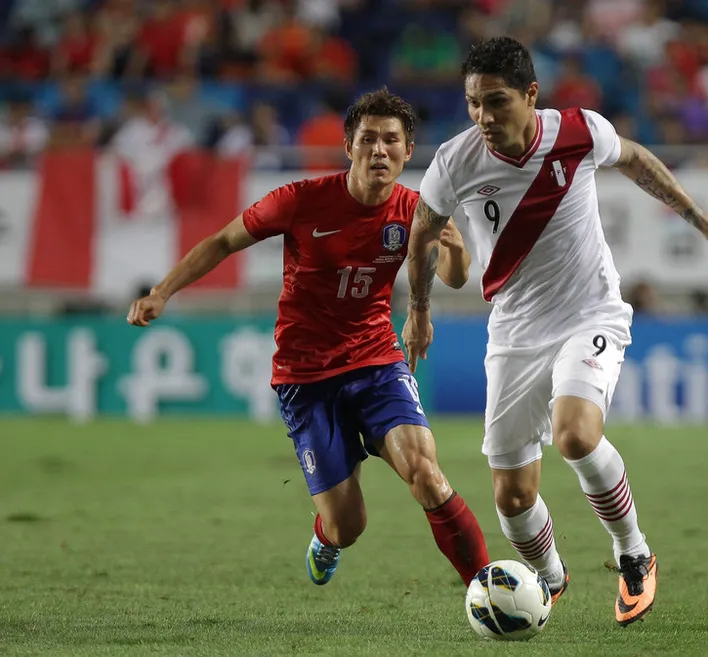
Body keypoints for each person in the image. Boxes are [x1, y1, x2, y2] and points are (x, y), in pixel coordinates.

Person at [403, 37, 708, 626]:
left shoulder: (577, 131)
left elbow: (637, 160)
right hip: (514, 333)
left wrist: (701, 220)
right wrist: (419, 310)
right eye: (473, 103)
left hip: (589, 314)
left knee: (574, 434)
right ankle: (548, 579)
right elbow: (422, 233)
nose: (484, 117)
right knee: (511, 498)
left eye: (496, 102)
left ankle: (634, 554)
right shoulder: (456, 161)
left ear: (530, 95)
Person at [126, 88, 491, 587]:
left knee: (426, 472)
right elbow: (222, 241)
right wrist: (162, 292)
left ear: (408, 152)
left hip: (376, 360)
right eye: (368, 140)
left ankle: (486, 587)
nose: (378, 150)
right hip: (306, 376)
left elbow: (453, 276)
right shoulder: (300, 201)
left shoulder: (416, 210)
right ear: (348, 147)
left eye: (391, 140)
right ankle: (326, 536)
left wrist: (451, 247)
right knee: (349, 524)